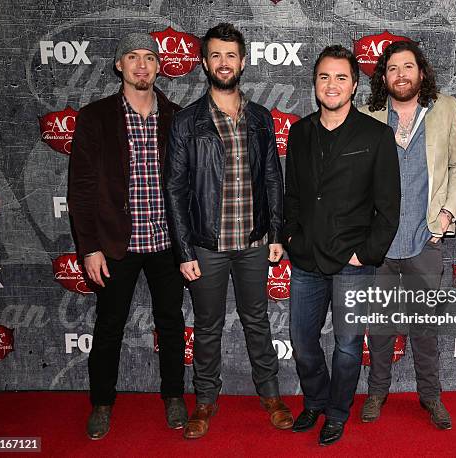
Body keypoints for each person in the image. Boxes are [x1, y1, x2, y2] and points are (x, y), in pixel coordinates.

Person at [163, 23, 292, 440]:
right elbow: (175, 189)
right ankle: (204, 400)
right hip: (207, 246)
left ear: (243, 61)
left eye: (231, 55)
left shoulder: (260, 117)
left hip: (254, 244)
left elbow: (273, 177)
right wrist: (184, 251)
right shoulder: (187, 122)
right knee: (207, 326)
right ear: (204, 62)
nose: (223, 62)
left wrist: (276, 233)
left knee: (258, 321)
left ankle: (270, 395)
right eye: (215, 55)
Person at [68, 32, 186, 440]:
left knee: (171, 324)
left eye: (149, 57)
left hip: (168, 242)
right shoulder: (96, 117)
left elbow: (188, 185)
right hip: (117, 243)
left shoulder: (177, 116)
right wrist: (90, 247)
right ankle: (102, 403)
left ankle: (174, 396)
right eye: (132, 57)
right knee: (109, 327)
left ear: (158, 66)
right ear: (119, 64)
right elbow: (81, 188)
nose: (141, 65)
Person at [284, 45, 400, 446]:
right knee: (302, 341)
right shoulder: (299, 132)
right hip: (305, 260)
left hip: (352, 262)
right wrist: (292, 238)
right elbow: (293, 195)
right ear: (315, 83)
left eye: (340, 77)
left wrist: (363, 254)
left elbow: (388, 208)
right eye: (323, 76)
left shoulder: (376, 135)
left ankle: (337, 412)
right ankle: (315, 400)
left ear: (353, 86)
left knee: (348, 345)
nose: (331, 85)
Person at [359, 40, 456, 430]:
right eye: (392, 68)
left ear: (420, 72)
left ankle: (430, 395)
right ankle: (376, 392)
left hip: (426, 239)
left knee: (425, 326)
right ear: (384, 76)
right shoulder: (367, 115)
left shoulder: (446, 109)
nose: (401, 75)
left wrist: (447, 212)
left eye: (408, 67)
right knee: (380, 324)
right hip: (380, 244)